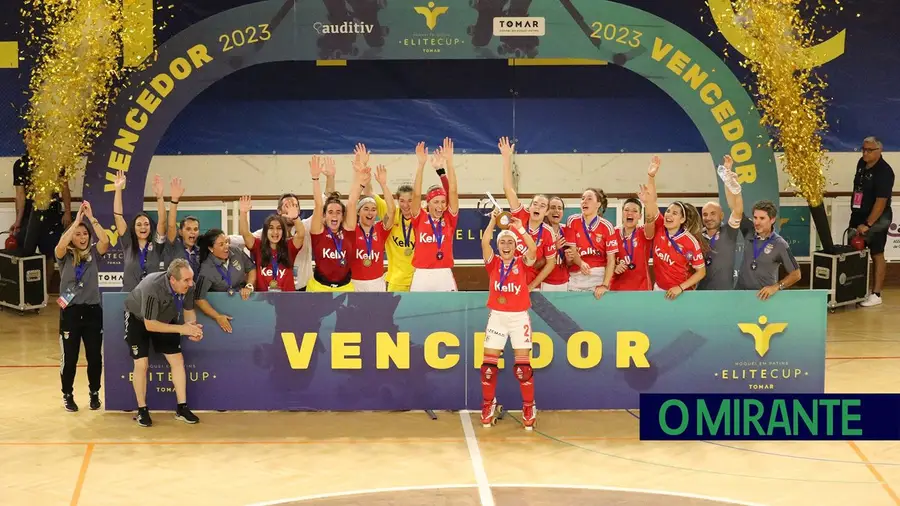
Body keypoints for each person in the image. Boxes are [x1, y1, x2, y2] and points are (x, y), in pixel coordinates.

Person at [123, 258, 204, 427]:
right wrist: (183, 329)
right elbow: (150, 324)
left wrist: (193, 330)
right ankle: (142, 410)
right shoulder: (152, 286)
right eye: (186, 280)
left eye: (191, 278)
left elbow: (188, 311)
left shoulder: (190, 286)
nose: (191, 283)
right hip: (139, 319)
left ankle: (182, 408)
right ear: (172, 280)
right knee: (141, 363)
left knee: (177, 360)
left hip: (166, 318)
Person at [229, 166, 337, 292]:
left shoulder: (306, 226)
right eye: (287, 206)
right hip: (275, 291)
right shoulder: (268, 233)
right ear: (279, 211)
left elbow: (323, 203)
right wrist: (224, 239)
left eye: (295, 206)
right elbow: (244, 238)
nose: (291, 208)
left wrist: (330, 178)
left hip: (304, 288)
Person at [479, 208, 538, 430]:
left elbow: (533, 249)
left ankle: (529, 406)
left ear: (514, 247)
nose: (505, 245)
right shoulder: (492, 262)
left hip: (518, 318)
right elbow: (485, 242)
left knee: (523, 369)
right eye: (502, 242)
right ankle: (488, 404)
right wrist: (493, 222)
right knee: (487, 368)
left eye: (509, 243)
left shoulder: (522, 263)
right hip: (497, 317)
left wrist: (520, 228)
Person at [54, 201, 109, 412]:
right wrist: (76, 221)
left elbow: (104, 239)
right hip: (70, 311)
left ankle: (94, 393)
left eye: (84, 233)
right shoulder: (64, 256)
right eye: (77, 234)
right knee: (70, 357)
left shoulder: (95, 253)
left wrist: (91, 218)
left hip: (93, 311)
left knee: (95, 357)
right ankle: (67, 394)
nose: (82, 237)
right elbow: (60, 245)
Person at [642, 156, 707, 298]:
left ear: (682, 219)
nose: (669, 215)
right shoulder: (660, 226)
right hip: (659, 289)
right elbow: (651, 201)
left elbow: (701, 272)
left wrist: (680, 288)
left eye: (675, 213)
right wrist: (651, 176)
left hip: (682, 293)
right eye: (668, 211)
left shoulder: (690, 242)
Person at [498, 137, 557, 291]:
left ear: (546, 212)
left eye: (543, 206)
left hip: (529, 284)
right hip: (506, 278)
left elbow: (550, 264)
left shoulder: (548, 233)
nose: (537, 207)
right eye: (535, 204)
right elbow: (507, 189)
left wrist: (532, 286)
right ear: (529, 207)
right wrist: (506, 158)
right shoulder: (520, 214)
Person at [306, 154, 365, 292]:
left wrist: (359, 178)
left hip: (345, 288)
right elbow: (319, 204)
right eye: (330, 212)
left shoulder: (349, 230)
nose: (334, 215)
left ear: (343, 216)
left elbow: (352, 202)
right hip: (318, 288)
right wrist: (315, 179)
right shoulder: (318, 231)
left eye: (338, 212)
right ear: (324, 216)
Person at [374, 142, 427, 292]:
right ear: (397, 201)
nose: (405, 205)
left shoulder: (422, 217)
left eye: (410, 201)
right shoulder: (391, 212)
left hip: (419, 278)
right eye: (401, 201)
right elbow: (368, 194)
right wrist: (370, 176)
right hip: (396, 279)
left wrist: (421, 165)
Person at [409, 137, 461, 292]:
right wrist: (421, 165)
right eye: (436, 202)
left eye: (443, 202)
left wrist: (449, 163)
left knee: (449, 314)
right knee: (417, 314)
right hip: (422, 275)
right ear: (428, 204)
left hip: (444, 274)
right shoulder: (420, 217)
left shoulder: (449, 218)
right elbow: (416, 194)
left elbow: (453, 191)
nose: (440, 206)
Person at [12, 137, 72, 263]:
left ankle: (47, 283)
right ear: (24, 140)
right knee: (26, 250)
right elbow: (20, 194)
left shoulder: (55, 162)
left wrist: (67, 212)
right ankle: (32, 282)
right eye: (28, 137)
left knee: (50, 252)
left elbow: (65, 189)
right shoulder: (19, 164)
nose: (32, 141)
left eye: (35, 137)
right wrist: (18, 221)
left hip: (50, 213)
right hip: (29, 213)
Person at [850, 136, 895, 307]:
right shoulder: (861, 164)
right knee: (854, 251)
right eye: (863, 149)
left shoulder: (884, 172)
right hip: (858, 215)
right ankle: (853, 290)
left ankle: (876, 294)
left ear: (879, 151)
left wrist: (868, 224)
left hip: (876, 219)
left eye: (869, 150)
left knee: (876, 253)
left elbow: (881, 202)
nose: (865, 153)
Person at [698, 155, 750, 291]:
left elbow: (737, 209)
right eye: (705, 214)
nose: (708, 218)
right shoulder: (696, 236)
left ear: (721, 216)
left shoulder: (729, 231)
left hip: (724, 294)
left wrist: (729, 179)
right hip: (699, 294)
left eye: (712, 214)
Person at [112, 170, 168, 292]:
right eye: (139, 224)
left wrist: (160, 197)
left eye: (146, 224)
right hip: (129, 296)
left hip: (152, 297)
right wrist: (118, 190)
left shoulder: (157, 244)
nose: (143, 227)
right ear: (134, 228)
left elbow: (162, 221)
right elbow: (118, 216)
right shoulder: (128, 242)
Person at [735, 200, 802, 299]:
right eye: (755, 217)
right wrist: (733, 188)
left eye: (762, 218)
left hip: (762, 297)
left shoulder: (780, 244)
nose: (757, 222)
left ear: (772, 220)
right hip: (740, 295)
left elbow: (796, 274)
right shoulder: (749, 231)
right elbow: (737, 209)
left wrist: (776, 287)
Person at [195, 228, 256, 333]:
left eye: (227, 242)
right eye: (221, 244)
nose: (226, 246)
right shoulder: (206, 269)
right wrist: (217, 317)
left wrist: (249, 285)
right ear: (211, 248)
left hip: (244, 303)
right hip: (222, 308)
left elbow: (251, 269)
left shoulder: (236, 251)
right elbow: (198, 299)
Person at [238, 196, 304, 292]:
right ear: (265, 231)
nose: (275, 232)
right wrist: (243, 213)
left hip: (288, 300)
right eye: (271, 228)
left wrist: (295, 218)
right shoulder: (258, 246)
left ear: (283, 231)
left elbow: (301, 234)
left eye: (279, 228)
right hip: (263, 300)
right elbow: (245, 233)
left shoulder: (289, 247)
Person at [564, 186, 618, 297]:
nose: (584, 201)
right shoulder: (572, 221)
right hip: (576, 275)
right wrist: (580, 263)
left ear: (598, 204)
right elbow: (572, 251)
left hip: (598, 276)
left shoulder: (607, 226)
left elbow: (611, 260)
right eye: (583, 198)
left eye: (589, 198)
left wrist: (605, 285)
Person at [352, 164, 395, 292]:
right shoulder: (350, 229)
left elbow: (392, 210)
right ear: (359, 212)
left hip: (377, 283)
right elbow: (351, 202)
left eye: (373, 210)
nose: (370, 213)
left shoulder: (380, 229)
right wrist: (359, 181)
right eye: (366, 209)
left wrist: (383, 185)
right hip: (355, 283)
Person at [610, 195, 652, 292]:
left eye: (635, 211)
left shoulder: (644, 232)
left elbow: (651, 220)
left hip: (641, 289)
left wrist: (648, 202)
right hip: (617, 290)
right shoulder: (612, 233)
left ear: (640, 216)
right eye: (627, 210)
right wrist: (614, 267)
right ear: (622, 213)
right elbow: (604, 260)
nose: (630, 213)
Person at [162, 178, 201, 281]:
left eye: (195, 229)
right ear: (180, 232)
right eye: (188, 229)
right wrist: (174, 200)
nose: (192, 232)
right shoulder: (174, 245)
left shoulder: (200, 252)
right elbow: (171, 226)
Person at [541, 196, 570, 291]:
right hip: (545, 282)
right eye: (553, 208)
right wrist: (554, 248)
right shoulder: (541, 232)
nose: (556, 211)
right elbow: (535, 263)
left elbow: (569, 264)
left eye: (559, 208)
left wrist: (570, 259)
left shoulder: (566, 231)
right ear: (546, 211)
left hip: (565, 282)